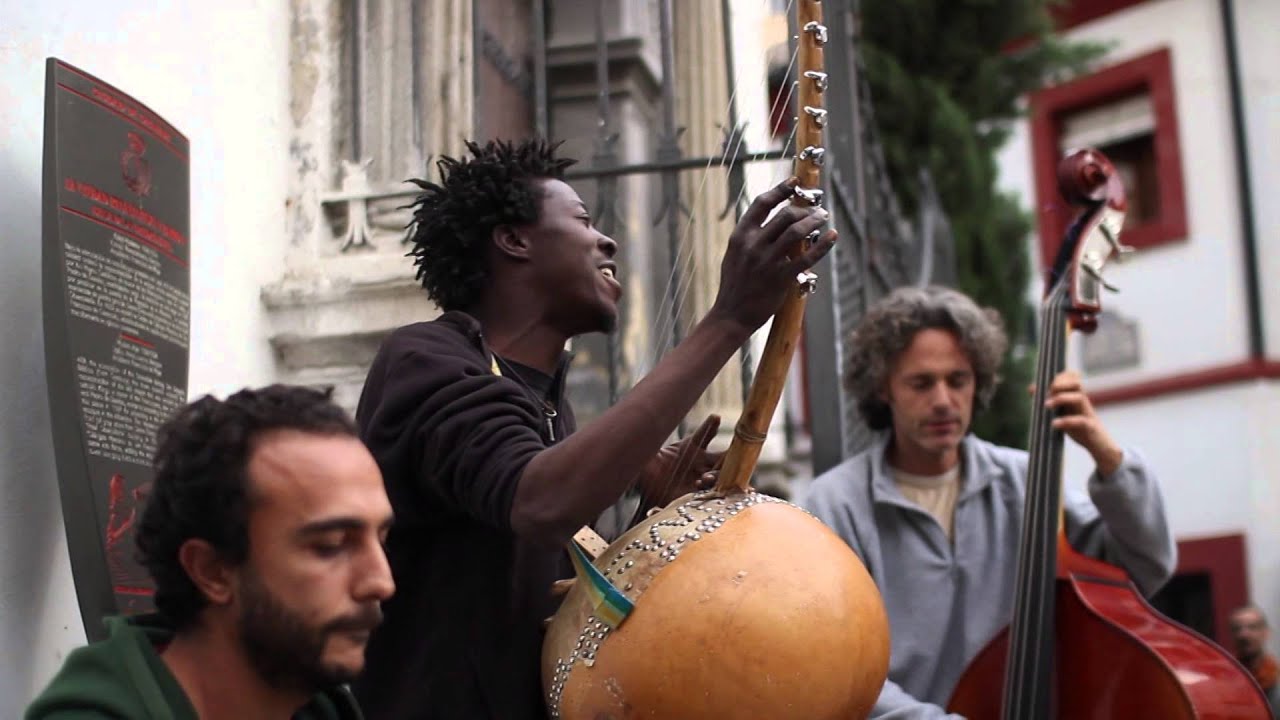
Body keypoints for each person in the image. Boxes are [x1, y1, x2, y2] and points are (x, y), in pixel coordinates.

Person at [351, 137, 833, 719]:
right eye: (581, 220)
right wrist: (728, 319)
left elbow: (566, 621)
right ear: (513, 239)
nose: (605, 239)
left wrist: (646, 516)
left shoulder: (547, 406)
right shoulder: (425, 359)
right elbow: (539, 502)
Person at [801, 285, 1176, 719]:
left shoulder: (1025, 481)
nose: (943, 400)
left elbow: (1144, 569)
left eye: (957, 380)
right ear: (884, 389)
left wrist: (1108, 457)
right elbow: (840, 665)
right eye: (921, 383)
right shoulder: (836, 503)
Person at [26, 385, 396, 720]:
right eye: (330, 546)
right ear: (213, 570)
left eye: (381, 539)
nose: (381, 582)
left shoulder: (318, 704)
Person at [1230, 604, 1280, 717]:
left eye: (1252, 627)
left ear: (1266, 633)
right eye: (1237, 629)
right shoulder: (1225, 680)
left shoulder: (1276, 677)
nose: (1243, 634)